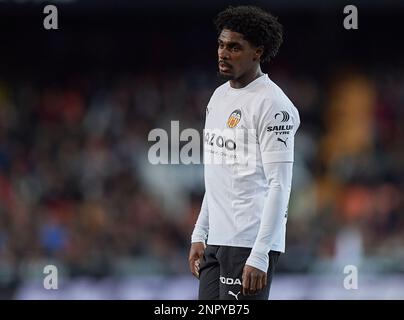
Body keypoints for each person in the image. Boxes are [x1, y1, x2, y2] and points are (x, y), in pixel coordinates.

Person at [188, 5, 300, 300]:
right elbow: (217, 174)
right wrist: (200, 233)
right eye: (221, 45)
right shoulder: (219, 96)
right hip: (217, 241)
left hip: (250, 242)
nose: (223, 53)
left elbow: (280, 184)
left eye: (234, 47)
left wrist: (261, 253)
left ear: (258, 52)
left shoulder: (273, 105)